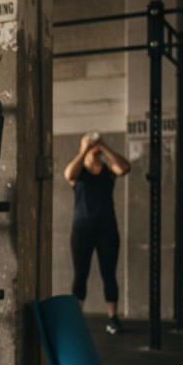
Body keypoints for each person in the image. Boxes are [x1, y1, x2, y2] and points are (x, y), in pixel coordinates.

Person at [63, 131, 131, 334]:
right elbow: (68, 174)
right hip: (82, 229)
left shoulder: (108, 170)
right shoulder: (79, 172)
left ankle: (113, 318)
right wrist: (83, 150)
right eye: (89, 141)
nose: (93, 144)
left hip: (107, 229)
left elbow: (125, 167)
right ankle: (77, 319)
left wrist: (104, 147)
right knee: (80, 275)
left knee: (108, 274)